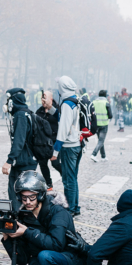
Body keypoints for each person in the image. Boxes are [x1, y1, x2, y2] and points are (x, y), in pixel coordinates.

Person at [3, 172, 86, 265]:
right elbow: (21, 260)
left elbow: (56, 245)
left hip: (70, 264)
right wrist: (8, 240)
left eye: (32, 197)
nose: (27, 201)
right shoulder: (24, 217)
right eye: (24, 197)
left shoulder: (58, 212)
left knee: (46, 255)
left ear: (41, 195)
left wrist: (27, 232)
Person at [50, 76, 83, 216]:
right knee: (72, 178)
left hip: (69, 146)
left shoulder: (66, 103)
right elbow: (63, 117)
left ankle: (70, 209)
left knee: (68, 180)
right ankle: (74, 207)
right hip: (77, 144)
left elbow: (63, 128)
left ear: (62, 87)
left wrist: (55, 152)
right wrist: (51, 109)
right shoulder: (75, 100)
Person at [2, 88, 38, 211]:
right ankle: (23, 217)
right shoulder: (27, 112)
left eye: (8, 100)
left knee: (16, 190)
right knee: (24, 190)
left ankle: (17, 218)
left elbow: (19, 140)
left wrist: (9, 161)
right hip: (29, 159)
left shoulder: (20, 115)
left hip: (24, 161)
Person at [36, 91, 62, 189]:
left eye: (45, 98)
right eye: (42, 99)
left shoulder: (56, 110)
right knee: (43, 164)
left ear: (50, 99)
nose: (43, 101)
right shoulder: (39, 111)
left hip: (54, 141)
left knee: (55, 163)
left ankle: (64, 175)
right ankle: (49, 184)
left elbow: (60, 120)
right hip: (42, 143)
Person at [90, 90, 113, 162]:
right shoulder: (106, 103)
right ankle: (94, 154)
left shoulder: (94, 102)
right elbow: (110, 115)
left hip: (96, 125)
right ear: (105, 95)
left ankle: (103, 156)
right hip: (104, 124)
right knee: (101, 141)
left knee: (100, 141)